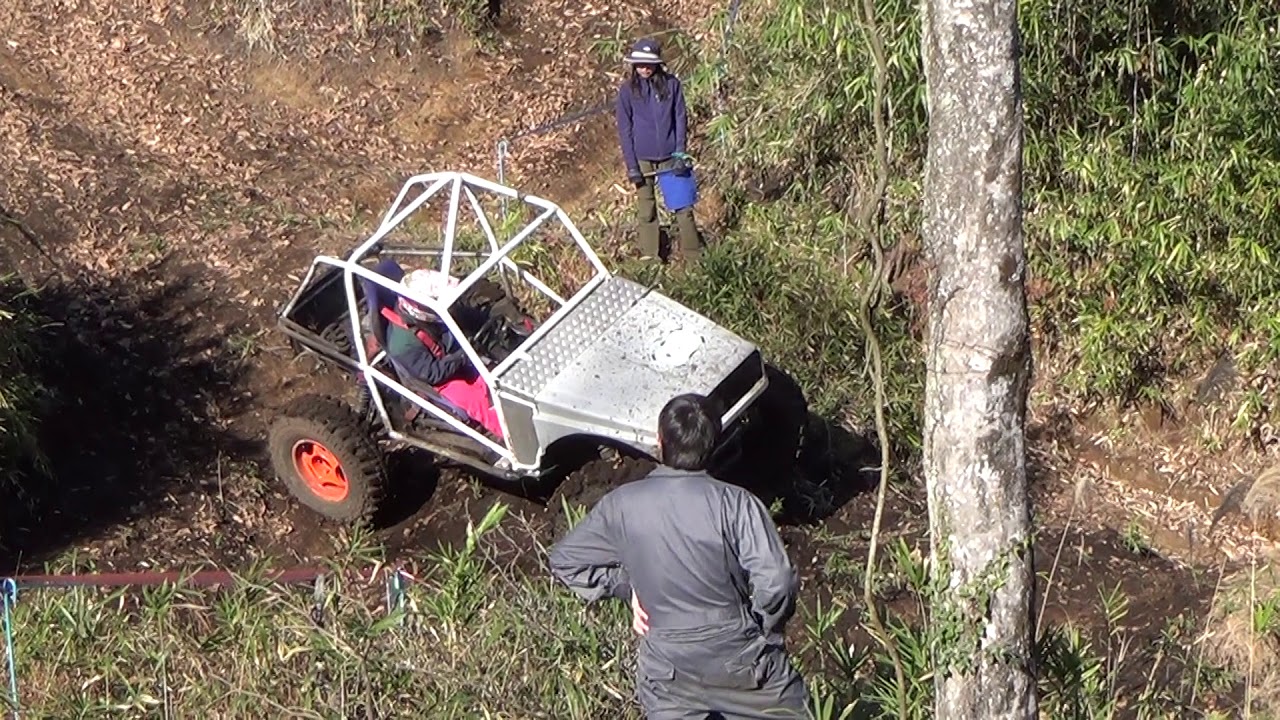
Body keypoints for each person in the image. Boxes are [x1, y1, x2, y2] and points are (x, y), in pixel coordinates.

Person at [548, 394, 810, 719]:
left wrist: (627, 588)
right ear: (715, 441)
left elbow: (565, 561)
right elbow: (777, 581)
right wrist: (762, 629)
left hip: (666, 668)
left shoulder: (621, 506)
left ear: (660, 441)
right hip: (741, 655)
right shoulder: (737, 503)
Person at [382, 267, 504, 438]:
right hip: (443, 380)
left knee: (500, 377)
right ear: (419, 308)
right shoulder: (401, 343)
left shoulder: (434, 315)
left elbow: (469, 320)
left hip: (457, 356)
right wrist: (462, 356)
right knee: (479, 402)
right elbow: (432, 374)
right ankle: (514, 440)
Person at [615, 38, 702, 263]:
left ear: (657, 64)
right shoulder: (627, 91)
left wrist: (681, 153)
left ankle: (694, 257)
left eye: (649, 64)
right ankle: (650, 258)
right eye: (640, 64)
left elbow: (680, 118)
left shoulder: (672, 85)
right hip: (642, 158)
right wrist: (632, 166)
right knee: (647, 210)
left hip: (671, 156)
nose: (644, 68)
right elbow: (625, 130)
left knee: (683, 207)